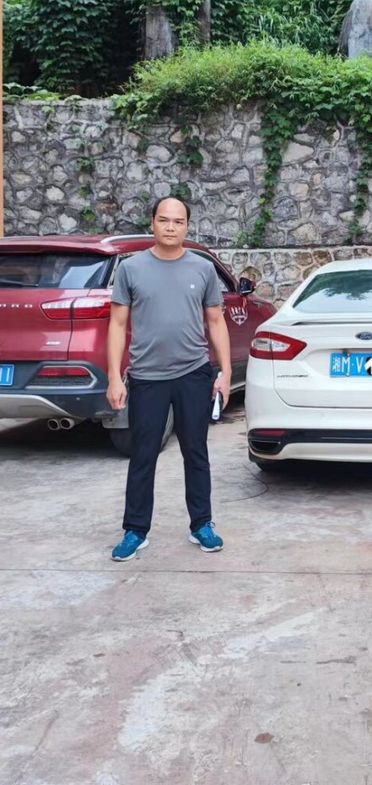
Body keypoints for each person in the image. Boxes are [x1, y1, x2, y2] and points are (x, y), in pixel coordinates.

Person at [106, 196, 232, 561]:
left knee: (196, 453)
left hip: (194, 374)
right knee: (142, 455)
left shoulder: (202, 269)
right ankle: (135, 530)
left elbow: (216, 321)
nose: (171, 227)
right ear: (152, 223)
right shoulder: (131, 268)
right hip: (147, 377)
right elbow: (117, 324)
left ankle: (202, 524)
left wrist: (224, 373)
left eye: (178, 221)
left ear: (187, 226)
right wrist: (114, 377)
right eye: (164, 220)